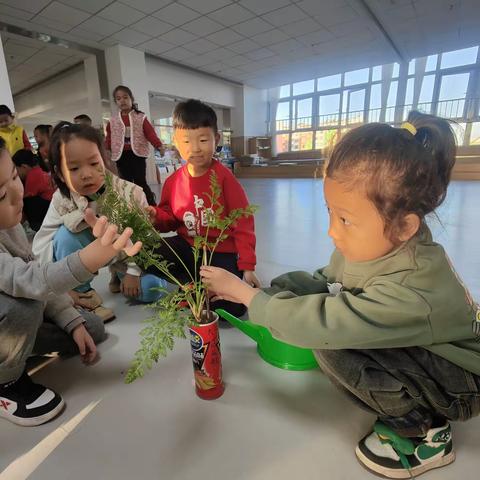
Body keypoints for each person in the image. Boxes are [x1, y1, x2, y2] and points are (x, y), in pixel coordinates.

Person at [201, 111, 480, 479]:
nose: (333, 231)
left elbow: (327, 322)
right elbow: (326, 278)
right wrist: (271, 292)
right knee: (310, 302)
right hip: (429, 352)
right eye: (330, 212)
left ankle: (425, 433)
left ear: (405, 226)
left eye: (345, 219)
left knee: (331, 344)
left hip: (461, 382)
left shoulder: (414, 288)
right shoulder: (378, 244)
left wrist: (248, 297)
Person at [0, 135, 142, 426]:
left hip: (36, 292)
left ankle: (17, 350)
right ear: (59, 174)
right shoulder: (61, 198)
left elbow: (31, 275)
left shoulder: (124, 190)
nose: (17, 192)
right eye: (0, 195)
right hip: (22, 301)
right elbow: (32, 279)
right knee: (22, 309)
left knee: (92, 328)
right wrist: (94, 256)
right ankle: (7, 384)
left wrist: (71, 321)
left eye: (14, 176)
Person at [32, 122, 167, 322]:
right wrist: (59, 287)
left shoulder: (130, 192)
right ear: (59, 173)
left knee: (153, 289)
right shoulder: (61, 199)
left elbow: (146, 237)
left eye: (94, 163)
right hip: (85, 257)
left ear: (104, 160)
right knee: (65, 236)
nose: (87, 174)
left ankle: (118, 274)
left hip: (123, 255)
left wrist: (132, 271)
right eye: (74, 168)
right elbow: (42, 244)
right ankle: (84, 295)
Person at [148, 99, 259, 318]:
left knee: (233, 309)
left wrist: (247, 267)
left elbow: (243, 223)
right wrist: (155, 217)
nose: (195, 148)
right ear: (176, 142)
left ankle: (204, 289)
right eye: (187, 141)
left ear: (216, 139)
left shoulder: (225, 179)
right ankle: (192, 287)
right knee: (146, 252)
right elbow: (169, 218)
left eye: (202, 139)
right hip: (188, 249)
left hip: (220, 252)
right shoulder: (173, 182)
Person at [105, 85, 163, 206]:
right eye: (119, 98)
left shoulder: (140, 117)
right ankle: (131, 205)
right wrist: (106, 149)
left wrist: (158, 145)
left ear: (131, 99)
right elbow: (109, 136)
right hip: (121, 156)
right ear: (116, 102)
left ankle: (151, 204)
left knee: (140, 181)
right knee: (126, 183)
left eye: (125, 97)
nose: (122, 101)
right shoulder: (113, 120)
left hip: (137, 155)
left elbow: (150, 133)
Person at [12, 149, 55, 231]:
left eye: (16, 170)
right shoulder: (39, 170)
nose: (16, 174)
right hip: (50, 205)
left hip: (47, 209)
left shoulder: (32, 176)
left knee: (26, 201)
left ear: (24, 166)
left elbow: (26, 197)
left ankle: (35, 226)